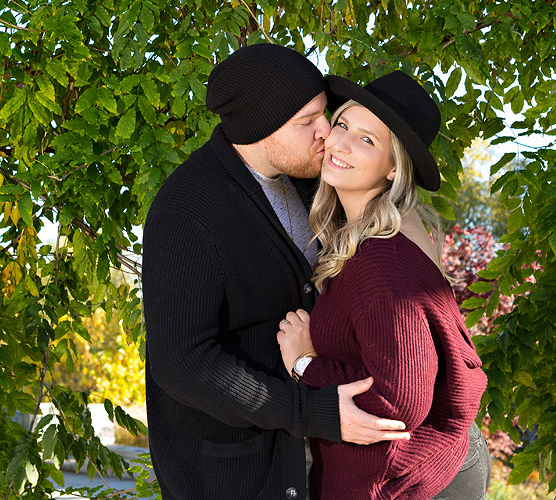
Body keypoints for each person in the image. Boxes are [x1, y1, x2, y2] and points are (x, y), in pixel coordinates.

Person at [143, 44, 411, 500]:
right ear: (258, 129)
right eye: (307, 122)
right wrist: (310, 410)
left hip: (311, 460)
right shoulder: (188, 210)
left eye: (324, 114)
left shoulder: (308, 183)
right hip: (235, 475)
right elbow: (181, 362)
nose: (326, 133)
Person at [276, 70, 490, 500]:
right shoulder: (363, 238)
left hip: (423, 478)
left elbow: (401, 402)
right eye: (343, 125)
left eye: (368, 140)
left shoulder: (381, 259)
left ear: (394, 169)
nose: (340, 144)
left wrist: (304, 365)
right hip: (413, 469)